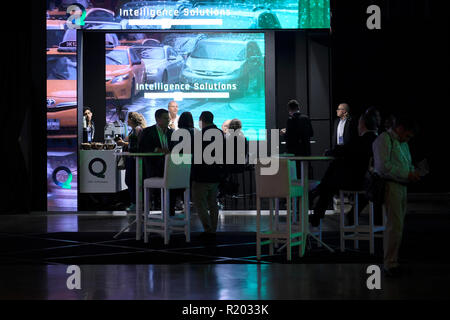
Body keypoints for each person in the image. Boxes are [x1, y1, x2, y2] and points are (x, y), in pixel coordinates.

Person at [310, 112, 379, 226]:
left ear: (362, 124)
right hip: (368, 182)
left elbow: (342, 150)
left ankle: (317, 199)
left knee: (333, 174)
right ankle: (318, 203)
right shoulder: (376, 140)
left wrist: (329, 152)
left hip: (357, 182)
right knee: (335, 171)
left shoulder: (361, 140)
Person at [372, 115, 420, 277]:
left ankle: (392, 261)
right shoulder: (383, 140)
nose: (408, 139)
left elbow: (406, 161)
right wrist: (408, 173)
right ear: (400, 129)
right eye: (407, 134)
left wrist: (411, 172)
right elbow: (383, 167)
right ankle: (390, 263)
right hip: (391, 186)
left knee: (397, 227)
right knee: (394, 226)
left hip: (401, 186)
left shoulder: (401, 142)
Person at [192, 111, 225, 238]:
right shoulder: (220, 133)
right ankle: (213, 229)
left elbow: (196, 155)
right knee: (213, 203)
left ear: (201, 120)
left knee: (200, 203)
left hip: (201, 176)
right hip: (215, 175)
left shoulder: (200, 135)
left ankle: (208, 228)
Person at [138, 109, 177, 215]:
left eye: (168, 118)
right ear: (157, 119)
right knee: (154, 193)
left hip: (169, 168)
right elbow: (142, 148)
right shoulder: (147, 132)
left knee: (171, 192)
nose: (168, 120)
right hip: (153, 169)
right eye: (165, 118)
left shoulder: (172, 133)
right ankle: (150, 214)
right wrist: (157, 150)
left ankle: (170, 214)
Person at [116, 112, 146, 211]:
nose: (127, 121)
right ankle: (136, 203)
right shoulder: (134, 130)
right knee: (131, 180)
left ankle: (136, 203)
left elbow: (136, 144)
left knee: (131, 180)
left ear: (133, 119)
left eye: (128, 119)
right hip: (132, 159)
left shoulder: (137, 130)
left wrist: (123, 143)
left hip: (133, 159)